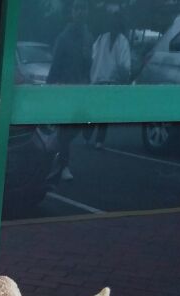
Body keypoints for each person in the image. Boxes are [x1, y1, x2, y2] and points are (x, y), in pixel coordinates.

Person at [47, 0, 92, 181]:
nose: (80, 12)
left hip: (82, 89)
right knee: (65, 130)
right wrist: (51, 89)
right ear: (72, 12)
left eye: (84, 8)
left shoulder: (88, 36)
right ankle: (63, 165)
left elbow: (89, 64)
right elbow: (55, 65)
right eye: (77, 8)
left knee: (75, 128)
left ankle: (56, 157)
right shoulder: (64, 37)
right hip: (65, 89)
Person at [87, 13, 131, 148]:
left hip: (111, 83)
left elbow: (125, 65)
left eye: (116, 25)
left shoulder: (123, 42)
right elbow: (92, 57)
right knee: (93, 112)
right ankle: (87, 134)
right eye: (112, 24)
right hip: (97, 81)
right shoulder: (101, 39)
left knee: (104, 113)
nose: (114, 27)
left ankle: (99, 140)